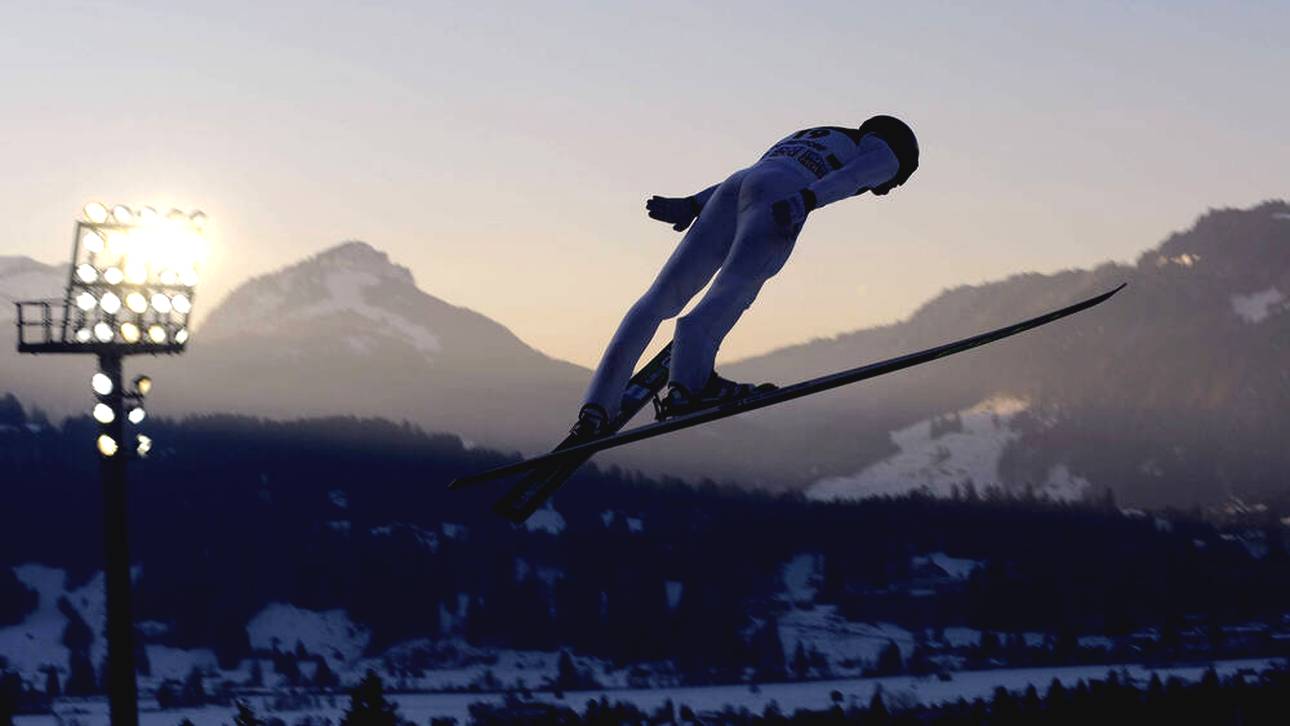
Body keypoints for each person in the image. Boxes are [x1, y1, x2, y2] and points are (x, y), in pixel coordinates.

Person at [571, 115, 919, 440]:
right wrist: (807, 199)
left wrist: (694, 204)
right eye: (896, 183)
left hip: (736, 186)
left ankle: (597, 405)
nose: (887, 189)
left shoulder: (816, 135)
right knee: (734, 288)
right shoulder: (886, 152)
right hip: (783, 195)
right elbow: (851, 178)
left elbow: (758, 174)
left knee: (660, 298)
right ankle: (689, 388)